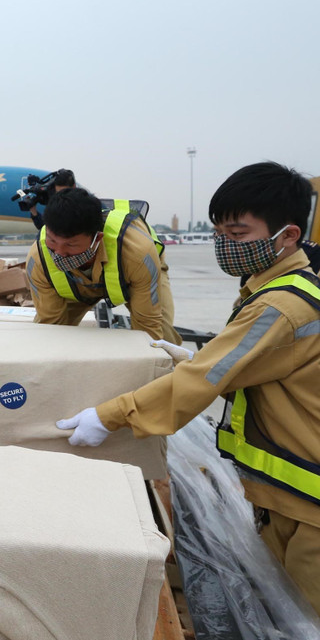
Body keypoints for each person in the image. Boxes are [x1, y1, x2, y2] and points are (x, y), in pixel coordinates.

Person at [56, 162, 320, 614]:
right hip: (288, 493)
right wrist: (195, 357)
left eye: (237, 234)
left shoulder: (281, 304)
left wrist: (110, 416)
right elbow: (249, 365)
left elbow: (205, 381)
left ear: (289, 235)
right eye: (219, 234)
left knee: (305, 616)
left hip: (309, 499)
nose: (225, 245)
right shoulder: (278, 287)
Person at [25, 187, 180, 343]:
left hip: (135, 275)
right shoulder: (38, 260)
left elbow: (148, 325)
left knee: (162, 339)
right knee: (50, 336)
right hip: (75, 285)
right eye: (52, 241)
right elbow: (51, 321)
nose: (59, 253)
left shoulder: (138, 254)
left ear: (97, 239)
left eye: (70, 245)